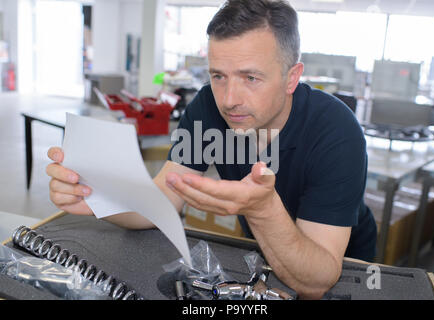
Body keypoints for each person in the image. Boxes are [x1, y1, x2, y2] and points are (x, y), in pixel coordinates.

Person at [46, 0, 377, 299]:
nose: (229, 98)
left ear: (292, 78)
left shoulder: (336, 130)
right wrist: (97, 196)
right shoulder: (207, 107)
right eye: (219, 76)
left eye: (250, 78)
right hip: (265, 250)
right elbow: (161, 201)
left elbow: (317, 280)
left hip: (341, 263)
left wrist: (262, 210)